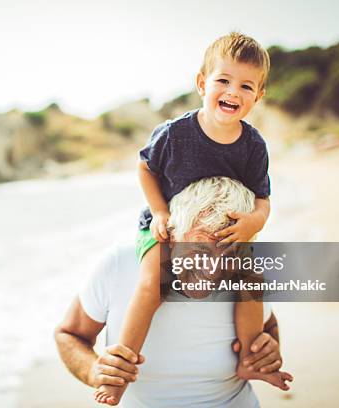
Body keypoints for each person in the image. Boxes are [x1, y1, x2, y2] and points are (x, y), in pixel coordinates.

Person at [94, 32, 287, 405]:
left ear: (258, 96)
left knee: (251, 281)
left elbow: (262, 200)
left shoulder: (253, 146)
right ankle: (122, 369)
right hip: (168, 225)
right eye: (223, 81)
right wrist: (160, 212)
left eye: (246, 86)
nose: (233, 92)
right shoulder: (175, 134)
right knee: (152, 285)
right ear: (202, 83)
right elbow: (145, 169)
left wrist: (253, 224)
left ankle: (248, 357)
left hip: (226, 228)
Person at [55, 177, 292, 407]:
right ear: (170, 235)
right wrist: (93, 370)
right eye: (199, 245)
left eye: (228, 251)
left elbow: (268, 326)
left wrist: (266, 352)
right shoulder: (119, 264)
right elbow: (70, 334)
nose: (212, 268)